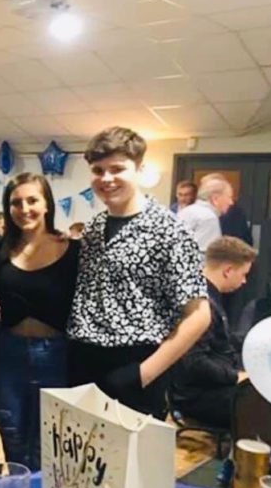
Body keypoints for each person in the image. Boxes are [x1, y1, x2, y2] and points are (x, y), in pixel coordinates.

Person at [67, 126, 210, 420]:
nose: (106, 179)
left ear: (140, 169)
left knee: (130, 464)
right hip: (83, 360)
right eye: (98, 170)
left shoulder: (169, 230)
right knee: (82, 462)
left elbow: (199, 315)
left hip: (135, 364)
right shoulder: (94, 227)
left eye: (117, 168)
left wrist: (144, 373)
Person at [0, 173, 79, 470]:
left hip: (56, 356)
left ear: (47, 205)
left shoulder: (73, 250)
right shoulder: (0, 250)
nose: (24, 208)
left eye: (32, 200)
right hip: (8, 355)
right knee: (13, 440)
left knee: (52, 444)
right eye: (16, 202)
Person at [170, 237, 256, 427]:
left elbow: (219, 342)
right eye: (243, 274)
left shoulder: (207, 297)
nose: (244, 281)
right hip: (196, 397)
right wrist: (236, 376)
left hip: (208, 388)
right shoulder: (202, 306)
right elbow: (194, 363)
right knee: (265, 406)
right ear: (227, 271)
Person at [178, 174, 234, 251]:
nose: (231, 202)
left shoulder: (185, 211)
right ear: (215, 199)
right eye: (229, 197)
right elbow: (205, 255)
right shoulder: (208, 218)